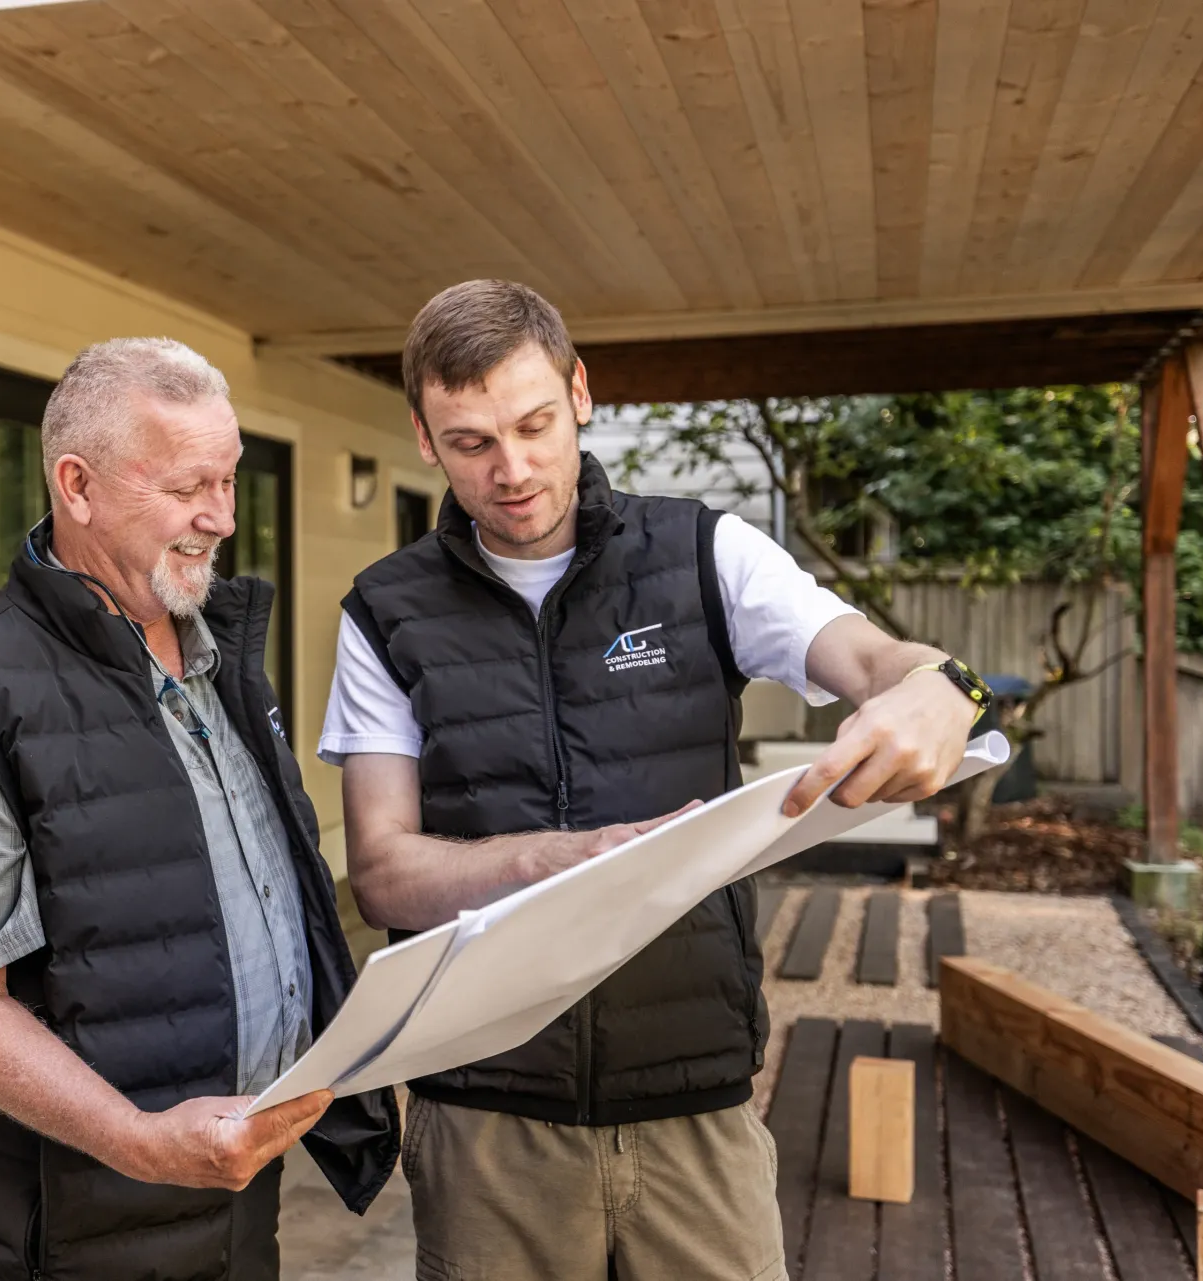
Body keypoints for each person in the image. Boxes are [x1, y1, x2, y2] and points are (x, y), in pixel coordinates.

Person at [324, 281, 991, 1280]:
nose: (512, 469)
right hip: (487, 1116)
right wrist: (573, 858)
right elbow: (381, 872)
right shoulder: (384, 611)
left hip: (695, 1100)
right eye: (471, 443)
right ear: (423, 436)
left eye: (535, 424)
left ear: (581, 392)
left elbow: (871, 659)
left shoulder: (702, 552)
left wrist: (942, 690)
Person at [0, 337, 399, 1280]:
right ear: (77, 486)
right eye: (189, 486)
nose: (222, 517)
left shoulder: (217, 655)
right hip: (71, 1229)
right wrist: (143, 1141)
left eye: (229, 482)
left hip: (230, 1190)